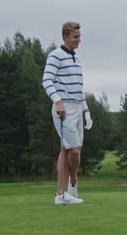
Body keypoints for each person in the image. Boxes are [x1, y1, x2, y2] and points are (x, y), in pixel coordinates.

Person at [42, 21, 93, 205]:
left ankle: (62, 194)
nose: (79, 40)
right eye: (76, 37)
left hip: (76, 109)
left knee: (67, 149)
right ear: (65, 37)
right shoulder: (56, 55)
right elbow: (47, 81)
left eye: (80, 36)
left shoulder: (76, 59)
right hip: (63, 110)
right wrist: (58, 101)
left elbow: (79, 90)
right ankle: (71, 185)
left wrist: (86, 110)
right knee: (74, 149)